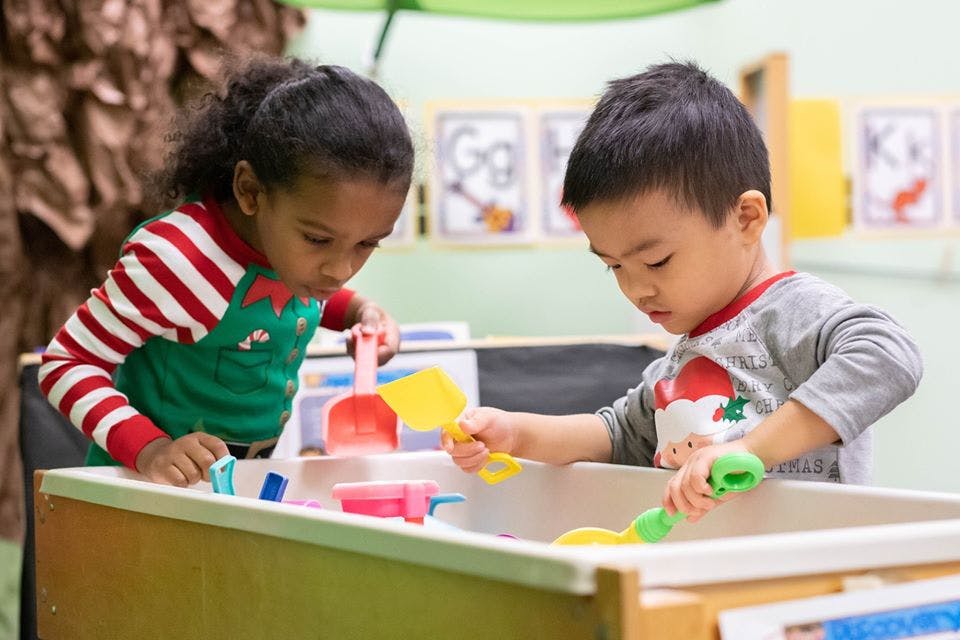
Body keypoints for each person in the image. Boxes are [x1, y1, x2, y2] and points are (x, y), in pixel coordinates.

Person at [443, 61, 922, 523]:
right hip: (708, 569)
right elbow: (614, 434)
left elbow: (889, 355)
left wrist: (752, 449)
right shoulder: (680, 362)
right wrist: (516, 432)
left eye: (656, 261)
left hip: (806, 569)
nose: (635, 288)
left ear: (746, 219)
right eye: (613, 266)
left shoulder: (793, 312)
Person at [38, 56, 414, 487]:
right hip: (145, 497)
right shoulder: (177, 260)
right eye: (318, 239)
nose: (341, 269)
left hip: (234, 488)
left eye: (368, 243)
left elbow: (294, 296)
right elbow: (66, 364)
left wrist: (359, 313)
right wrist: (151, 449)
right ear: (250, 191)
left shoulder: (287, 249)